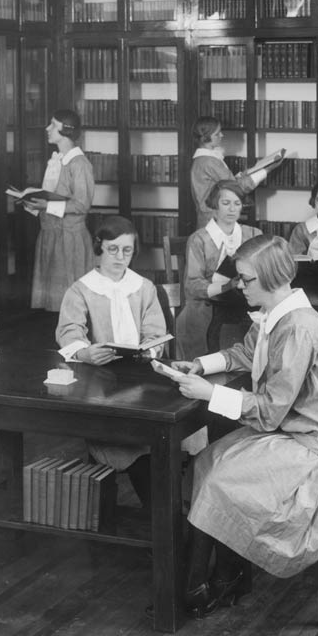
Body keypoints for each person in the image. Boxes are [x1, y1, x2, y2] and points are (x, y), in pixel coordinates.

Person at [166, 234, 318, 617]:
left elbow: (270, 411)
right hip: (295, 428)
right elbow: (245, 352)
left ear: (271, 279)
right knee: (208, 461)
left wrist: (210, 393)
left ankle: (199, 585)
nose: (239, 286)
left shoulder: (298, 327)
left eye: (246, 279)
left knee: (221, 477)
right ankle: (222, 577)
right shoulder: (275, 313)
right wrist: (201, 365)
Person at [55, 216, 202, 508]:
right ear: (99, 248)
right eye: (112, 249)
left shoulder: (144, 287)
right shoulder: (81, 289)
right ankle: (162, 509)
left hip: (143, 379)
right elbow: (69, 332)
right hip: (99, 382)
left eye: (127, 250)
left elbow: (156, 333)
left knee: (178, 423)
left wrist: (151, 350)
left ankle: (177, 503)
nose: (119, 257)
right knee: (133, 444)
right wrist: (84, 352)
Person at [175, 179, 262, 359]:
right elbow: (192, 286)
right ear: (215, 205)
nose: (232, 209)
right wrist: (226, 286)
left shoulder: (254, 234)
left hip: (245, 305)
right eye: (226, 203)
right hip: (208, 307)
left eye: (237, 203)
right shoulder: (199, 239)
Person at [24, 110, 95, 311]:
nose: (48, 128)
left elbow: (81, 205)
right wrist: (32, 201)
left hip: (69, 240)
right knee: (55, 303)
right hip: (52, 236)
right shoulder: (57, 160)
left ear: (67, 130)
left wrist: (46, 206)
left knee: (71, 304)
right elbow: (53, 195)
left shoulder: (79, 164)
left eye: (53, 125)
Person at [189, 116, 283, 230]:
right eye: (217, 134)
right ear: (205, 137)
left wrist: (251, 171)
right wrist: (266, 170)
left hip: (212, 219)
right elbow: (236, 187)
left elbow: (226, 182)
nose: (221, 135)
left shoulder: (204, 159)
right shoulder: (209, 161)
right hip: (214, 222)